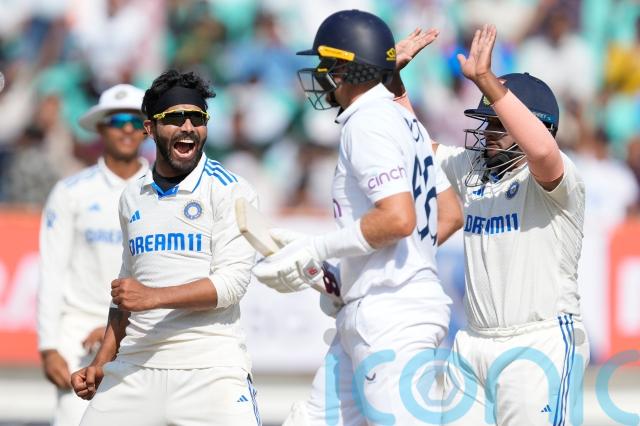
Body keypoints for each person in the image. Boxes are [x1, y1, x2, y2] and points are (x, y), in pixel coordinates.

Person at [253, 10, 462, 425]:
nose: (321, 75)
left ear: (345, 68)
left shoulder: (367, 122)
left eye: (326, 64)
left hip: (390, 316)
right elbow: (450, 214)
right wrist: (349, 272)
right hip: (378, 308)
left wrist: (316, 248)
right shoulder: (404, 120)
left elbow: (398, 219)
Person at [400, 25, 589, 424]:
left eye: (498, 124)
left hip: (538, 343)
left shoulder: (559, 179)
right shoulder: (474, 170)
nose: (487, 133)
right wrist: (390, 82)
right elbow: (412, 146)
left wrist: (486, 79)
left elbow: (544, 152)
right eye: (488, 122)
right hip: (473, 344)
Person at [70, 70, 261, 425]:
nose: (188, 127)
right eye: (175, 117)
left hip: (210, 369)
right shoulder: (132, 194)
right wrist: (101, 361)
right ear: (150, 128)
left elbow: (232, 285)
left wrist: (153, 297)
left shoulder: (231, 190)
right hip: (136, 365)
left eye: (197, 118)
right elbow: (126, 292)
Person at [37, 83, 149, 426]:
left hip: (142, 331)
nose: (127, 129)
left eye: (135, 121)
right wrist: (49, 346)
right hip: (77, 333)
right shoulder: (71, 191)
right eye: (117, 121)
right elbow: (51, 270)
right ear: (101, 128)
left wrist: (116, 329)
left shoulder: (163, 192)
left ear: (147, 129)